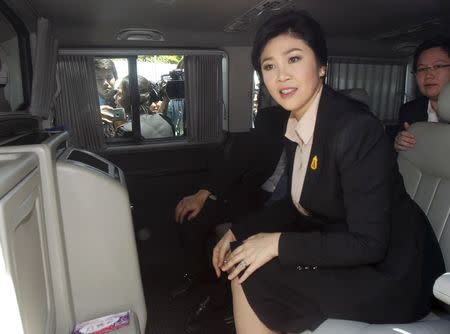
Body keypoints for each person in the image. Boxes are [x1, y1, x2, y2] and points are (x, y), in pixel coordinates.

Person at [212, 11, 445, 334]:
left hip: (395, 272)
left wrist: (277, 244)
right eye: (269, 66)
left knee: (252, 269)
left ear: (322, 66)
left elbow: (370, 244)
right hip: (353, 249)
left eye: (294, 59)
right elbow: (296, 200)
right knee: (243, 260)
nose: (281, 76)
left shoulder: (355, 128)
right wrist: (238, 231)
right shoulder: (297, 122)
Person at [172, 105, 289, 332]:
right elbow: (232, 165)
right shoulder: (264, 138)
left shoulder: (311, 147)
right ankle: (199, 278)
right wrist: (203, 193)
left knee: (238, 242)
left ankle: (220, 303)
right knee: (193, 219)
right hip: (252, 197)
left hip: (278, 208)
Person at [394, 36, 450, 151]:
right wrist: (399, 145)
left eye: (437, 66)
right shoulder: (409, 111)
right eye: (422, 69)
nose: (428, 75)